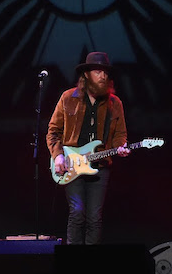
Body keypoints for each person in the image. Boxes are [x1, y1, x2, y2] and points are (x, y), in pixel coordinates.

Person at [46, 52, 130, 245]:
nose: (103, 76)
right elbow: (53, 131)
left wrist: (121, 148)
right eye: (97, 71)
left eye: (105, 72)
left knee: (94, 217)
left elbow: (120, 135)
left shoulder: (114, 103)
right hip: (71, 164)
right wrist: (58, 156)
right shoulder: (68, 98)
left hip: (100, 167)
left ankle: (91, 267)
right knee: (77, 213)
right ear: (86, 74)